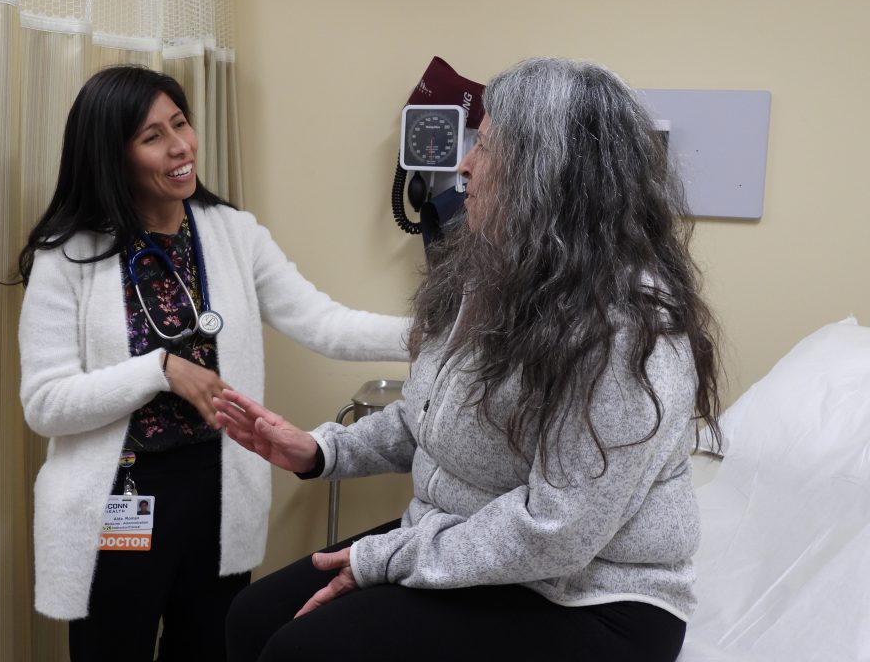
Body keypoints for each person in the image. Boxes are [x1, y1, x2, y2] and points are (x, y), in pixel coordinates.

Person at [214, 57, 722, 662]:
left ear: (545, 176)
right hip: (467, 544)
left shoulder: (626, 328)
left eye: (488, 145)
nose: (464, 165)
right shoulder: (490, 273)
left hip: (590, 597)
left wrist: (386, 558)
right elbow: (424, 416)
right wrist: (322, 451)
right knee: (251, 618)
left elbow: (556, 531)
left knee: (302, 651)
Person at [16, 65, 409, 662]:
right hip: (118, 498)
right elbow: (46, 404)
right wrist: (161, 369)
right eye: (153, 136)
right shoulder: (68, 258)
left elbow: (323, 323)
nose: (180, 147)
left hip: (217, 490)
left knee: (209, 649)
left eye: (181, 123)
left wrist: (440, 333)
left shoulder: (231, 234)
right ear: (111, 154)